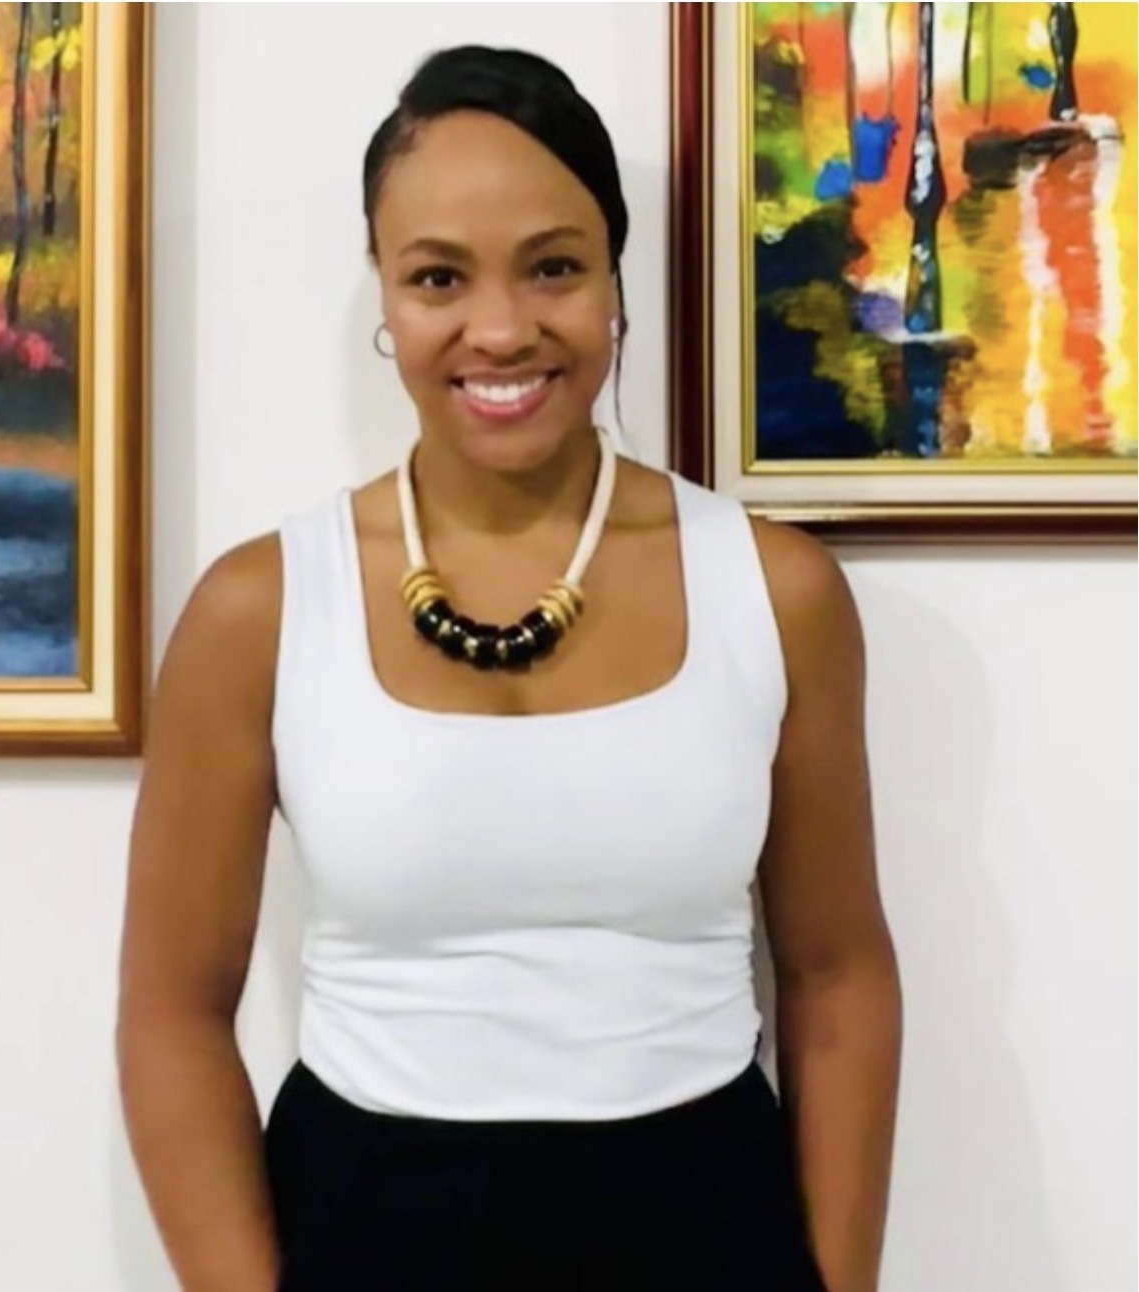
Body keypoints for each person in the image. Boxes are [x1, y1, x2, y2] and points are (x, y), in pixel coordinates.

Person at [116, 44, 903, 1292]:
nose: (500, 328)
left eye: (554, 267)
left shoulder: (777, 592)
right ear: (386, 296)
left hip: (710, 1228)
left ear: (615, 283)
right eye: (439, 276)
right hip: (369, 1232)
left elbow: (837, 972)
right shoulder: (259, 609)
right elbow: (171, 1008)